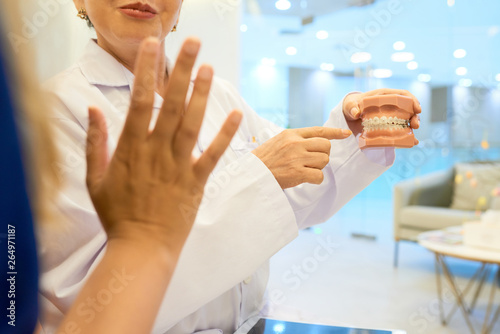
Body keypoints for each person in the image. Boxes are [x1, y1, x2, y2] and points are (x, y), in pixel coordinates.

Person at [39, 1, 421, 333]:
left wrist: (351, 130)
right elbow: (84, 298)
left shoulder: (217, 94)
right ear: (78, 2)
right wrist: (258, 174)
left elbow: (296, 187)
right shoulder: (54, 111)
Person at [0, 1, 242, 332]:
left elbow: (305, 173)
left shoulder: (220, 96)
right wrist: (262, 184)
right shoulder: (54, 110)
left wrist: (341, 127)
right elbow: (75, 292)